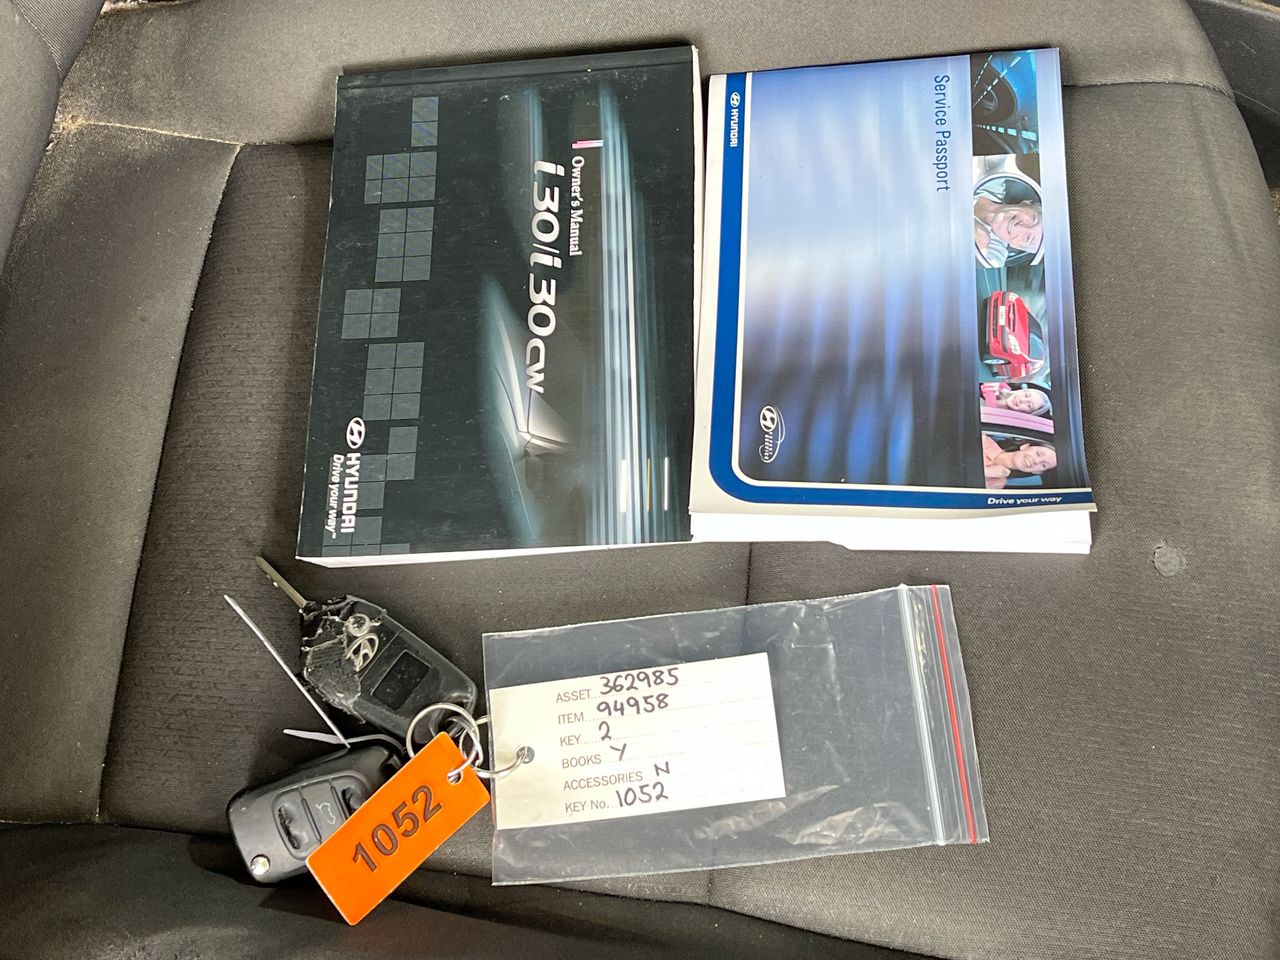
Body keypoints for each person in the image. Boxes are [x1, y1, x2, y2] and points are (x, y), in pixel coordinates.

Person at [973, 178, 1043, 267]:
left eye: (1027, 238)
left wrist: (981, 240)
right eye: (1033, 219)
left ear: (1015, 246)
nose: (1019, 227)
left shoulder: (995, 257)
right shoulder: (993, 179)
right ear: (1027, 203)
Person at [982, 433, 1056, 489]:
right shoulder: (983, 441)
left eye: (1044, 465)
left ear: (1037, 472)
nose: (1036, 461)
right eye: (1038, 454)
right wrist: (984, 472)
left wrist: (986, 473)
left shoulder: (998, 482)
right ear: (1025, 446)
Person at [981, 382, 1052, 417]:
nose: (1022, 400)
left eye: (1029, 405)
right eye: (1026, 395)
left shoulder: (1002, 420)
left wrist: (989, 392)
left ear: (1028, 413)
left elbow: (991, 411)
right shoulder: (1004, 388)